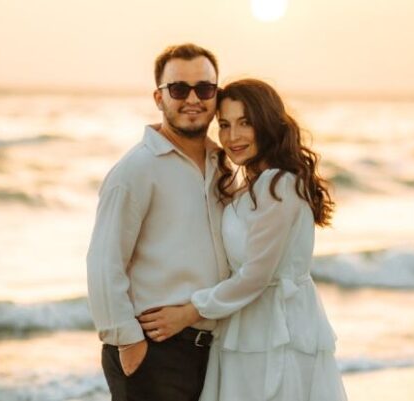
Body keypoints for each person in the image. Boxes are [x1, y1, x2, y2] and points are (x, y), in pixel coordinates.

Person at [139, 79, 348, 400]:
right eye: (224, 125)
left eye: (245, 123)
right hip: (245, 325)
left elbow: (255, 275)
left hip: (276, 331)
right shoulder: (250, 185)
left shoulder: (279, 185)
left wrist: (188, 313)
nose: (232, 136)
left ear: (266, 123)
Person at [86, 43, 230, 401]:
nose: (193, 99)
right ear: (159, 97)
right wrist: (127, 339)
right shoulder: (136, 170)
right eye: (179, 89)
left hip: (211, 352)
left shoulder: (223, 167)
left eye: (205, 88)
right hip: (154, 352)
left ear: (216, 95)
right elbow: (104, 262)